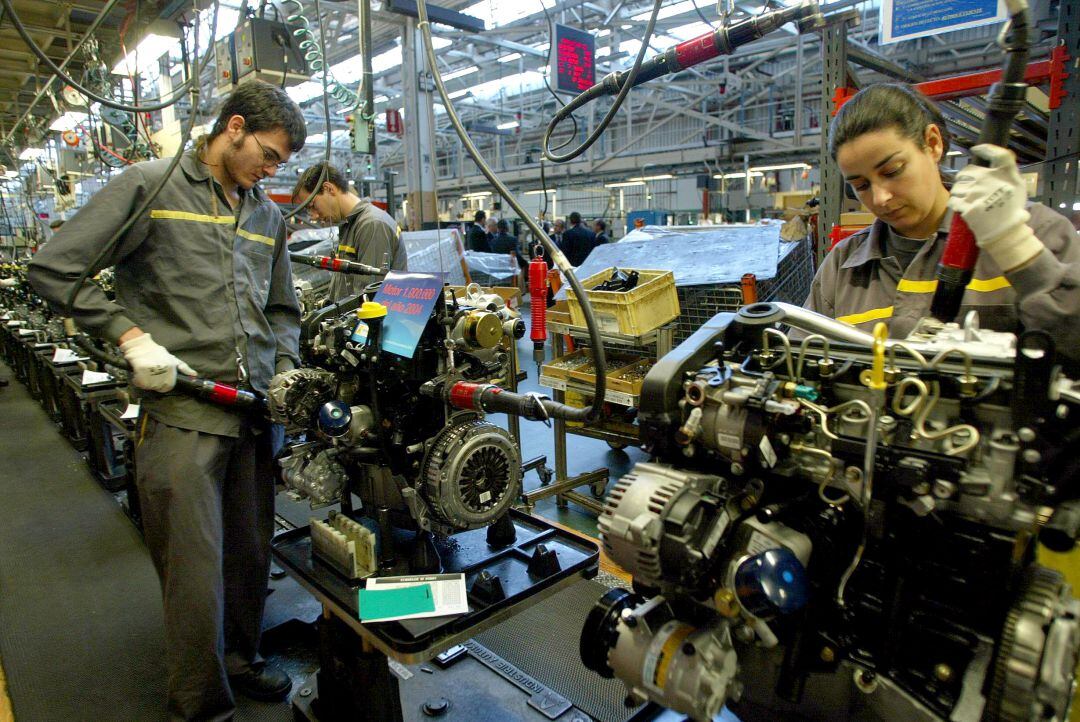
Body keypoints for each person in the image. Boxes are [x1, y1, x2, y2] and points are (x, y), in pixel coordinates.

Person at [28, 80, 306, 720]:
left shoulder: (266, 215)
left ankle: (240, 660)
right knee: (193, 571)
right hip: (184, 414)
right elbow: (53, 269)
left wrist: (286, 371)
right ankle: (201, 703)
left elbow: (283, 308)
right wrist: (129, 336)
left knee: (247, 557)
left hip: (255, 413)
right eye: (268, 154)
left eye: (280, 164)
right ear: (232, 127)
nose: (272, 170)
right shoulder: (149, 187)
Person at [804, 83, 1080, 354]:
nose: (880, 199)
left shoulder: (1037, 231)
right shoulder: (843, 267)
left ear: (933, 144)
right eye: (861, 186)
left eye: (892, 171)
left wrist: (1012, 243)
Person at [292, 162, 407, 301]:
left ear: (328, 189)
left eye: (313, 206)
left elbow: (368, 297)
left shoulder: (372, 224)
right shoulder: (349, 226)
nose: (314, 216)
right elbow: (344, 289)